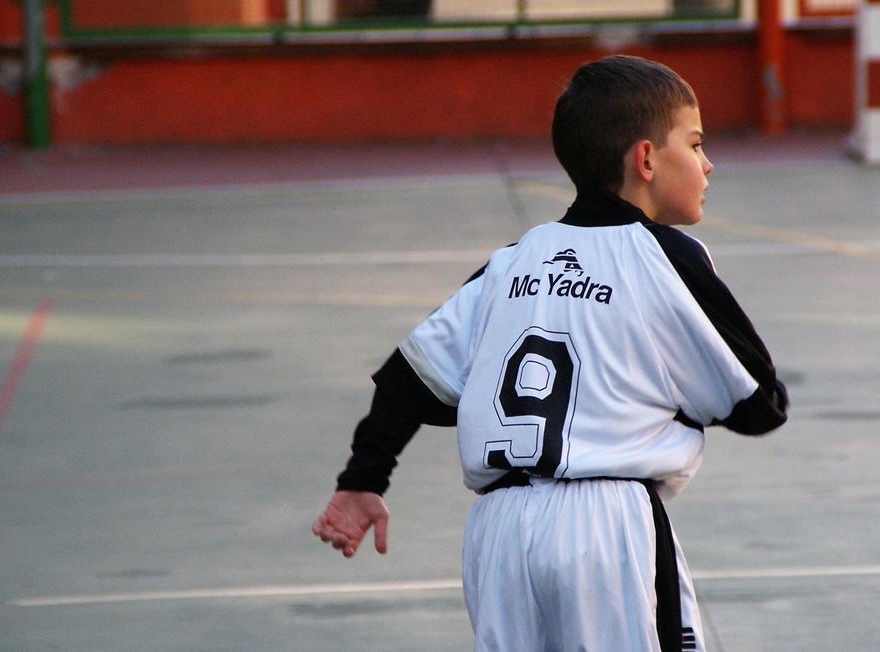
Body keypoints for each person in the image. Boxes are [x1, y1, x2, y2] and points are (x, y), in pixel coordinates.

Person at [313, 54, 789, 652]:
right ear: (645, 160)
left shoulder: (510, 263)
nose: (707, 162)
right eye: (694, 145)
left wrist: (363, 480)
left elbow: (410, 376)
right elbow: (759, 402)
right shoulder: (669, 259)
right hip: (607, 527)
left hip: (499, 532)